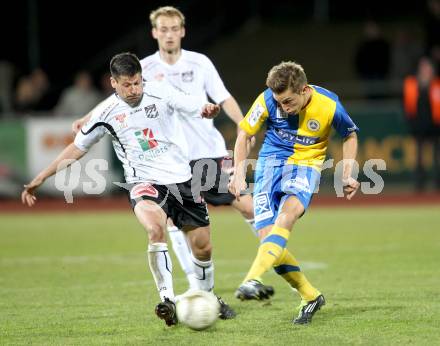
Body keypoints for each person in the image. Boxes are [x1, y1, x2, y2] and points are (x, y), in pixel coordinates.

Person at [21, 52, 235, 326]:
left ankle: (207, 298)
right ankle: (167, 300)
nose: (134, 90)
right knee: (155, 229)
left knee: (203, 248)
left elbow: (189, 103)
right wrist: (41, 177)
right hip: (143, 182)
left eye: (137, 83)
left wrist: (205, 108)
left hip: (182, 179)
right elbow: (76, 148)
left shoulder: (159, 91)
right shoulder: (106, 113)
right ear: (113, 83)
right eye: (127, 85)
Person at [72, 6, 255, 291]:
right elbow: (115, 99)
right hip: (172, 159)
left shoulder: (200, 63)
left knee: (247, 204)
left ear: (182, 31)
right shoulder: (144, 69)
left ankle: (263, 271)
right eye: (163, 29)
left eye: (174, 29)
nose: (169, 35)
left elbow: (223, 96)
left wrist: (245, 125)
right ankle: (197, 288)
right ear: (155, 33)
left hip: (208, 150)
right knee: (173, 223)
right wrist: (88, 119)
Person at [229, 61, 360, 325]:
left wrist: (347, 172)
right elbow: (244, 132)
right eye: (279, 102)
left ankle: (250, 280)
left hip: (306, 164)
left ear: (303, 90)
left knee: (286, 217)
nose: (283, 107)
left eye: (288, 101)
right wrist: (239, 171)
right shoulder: (268, 98)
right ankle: (310, 296)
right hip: (269, 164)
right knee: (268, 239)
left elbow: (350, 134)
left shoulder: (329, 104)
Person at [403, 56, 440, 190]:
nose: (426, 70)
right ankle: (420, 185)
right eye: (423, 67)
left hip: (435, 126)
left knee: (437, 157)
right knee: (419, 157)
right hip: (418, 126)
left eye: (428, 67)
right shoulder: (412, 83)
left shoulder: (436, 84)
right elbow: (407, 106)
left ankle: (437, 184)